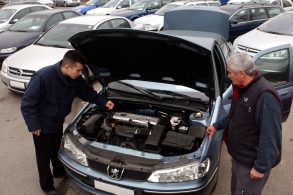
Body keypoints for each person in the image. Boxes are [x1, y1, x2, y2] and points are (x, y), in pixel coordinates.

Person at [21, 50, 114, 195]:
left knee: (56, 149)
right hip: (42, 126)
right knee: (43, 156)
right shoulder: (43, 77)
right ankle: (47, 186)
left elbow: (87, 93)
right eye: (78, 70)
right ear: (66, 67)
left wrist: (104, 101)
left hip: (57, 122)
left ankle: (58, 171)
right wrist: (33, 125)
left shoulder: (75, 79)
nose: (80, 73)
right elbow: (27, 104)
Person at [206, 52, 282, 195]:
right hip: (239, 157)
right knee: (236, 189)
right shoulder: (241, 87)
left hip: (251, 163)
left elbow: (270, 136)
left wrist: (260, 167)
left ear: (241, 73)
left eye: (229, 73)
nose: (228, 76)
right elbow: (233, 115)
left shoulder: (265, 96)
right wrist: (216, 126)